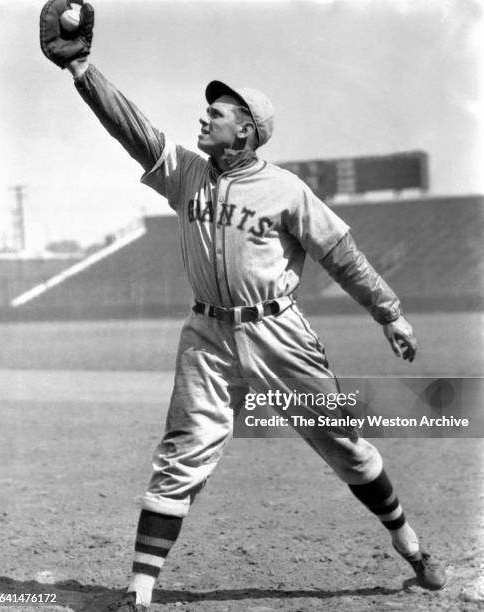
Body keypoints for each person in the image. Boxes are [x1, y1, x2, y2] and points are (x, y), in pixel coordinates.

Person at [39, 2, 446, 610]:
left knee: (347, 448)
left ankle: (410, 546)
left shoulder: (286, 190)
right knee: (183, 448)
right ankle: (140, 592)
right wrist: (82, 72)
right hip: (206, 335)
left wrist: (389, 313)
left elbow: (343, 255)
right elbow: (133, 130)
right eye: (207, 109)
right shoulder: (186, 174)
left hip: (279, 333)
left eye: (218, 112)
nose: (204, 118)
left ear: (248, 130)